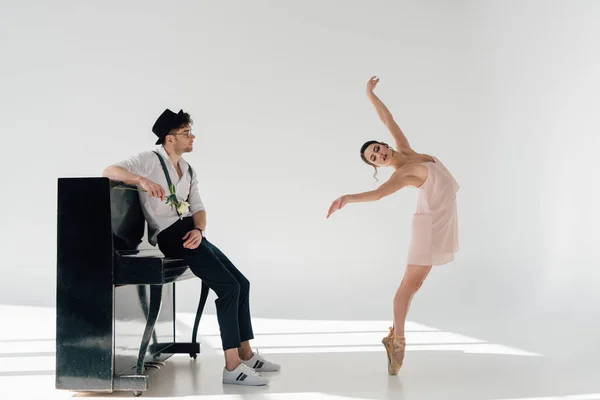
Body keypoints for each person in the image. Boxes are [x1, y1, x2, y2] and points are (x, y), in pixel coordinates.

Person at [102, 108, 280, 386]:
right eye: (187, 133)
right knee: (229, 288)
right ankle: (232, 366)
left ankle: (245, 354)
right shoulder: (149, 160)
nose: (193, 137)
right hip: (171, 236)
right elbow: (109, 170)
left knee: (241, 283)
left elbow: (198, 207)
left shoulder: (188, 169)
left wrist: (199, 229)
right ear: (169, 139)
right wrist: (141, 180)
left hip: (190, 232)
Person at [326, 77, 460, 375]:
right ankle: (398, 340)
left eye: (377, 149)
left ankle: (395, 337)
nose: (380, 154)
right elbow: (377, 195)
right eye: (374, 158)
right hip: (428, 229)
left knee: (415, 285)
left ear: (384, 145)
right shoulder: (400, 174)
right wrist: (347, 198)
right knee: (409, 286)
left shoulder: (407, 151)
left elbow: (388, 119)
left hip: (440, 221)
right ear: (378, 166)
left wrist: (370, 94)